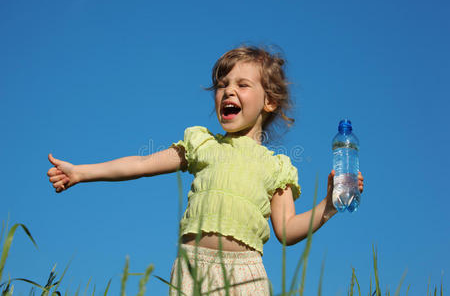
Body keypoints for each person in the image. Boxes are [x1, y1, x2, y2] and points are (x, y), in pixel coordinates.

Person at [47, 46, 364, 295]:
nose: (228, 91)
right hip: (193, 269)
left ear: (269, 101)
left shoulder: (277, 166)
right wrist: (81, 172)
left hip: (248, 274)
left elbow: (287, 230)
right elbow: (142, 164)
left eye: (242, 84)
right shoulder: (202, 144)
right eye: (222, 84)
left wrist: (329, 205)